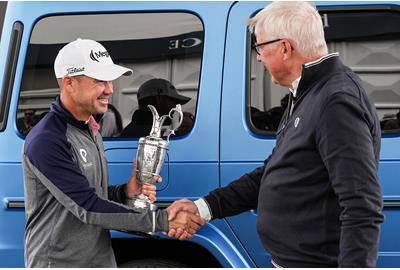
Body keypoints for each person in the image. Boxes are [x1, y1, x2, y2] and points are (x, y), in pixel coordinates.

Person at [167, 1, 384, 267]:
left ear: (284, 48)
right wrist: (204, 208)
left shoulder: (335, 101)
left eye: (260, 47)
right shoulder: (306, 93)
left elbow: (362, 205)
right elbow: (275, 171)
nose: (258, 57)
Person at [22, 38, 204, 267]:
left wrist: (125, 191)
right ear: (69, 83)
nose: (110, 89)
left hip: (99, 260)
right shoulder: (47, 139)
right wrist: (163, 220)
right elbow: (86, 207)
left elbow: (89, 194)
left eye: (110, 80)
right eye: (99, 80)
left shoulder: (89, 127)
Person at [120, 78, 193, 137]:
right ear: (160, 100)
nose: (175, 107)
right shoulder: (151, 133)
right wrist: (183, 132)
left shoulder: (131, 131)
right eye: (173, 101)